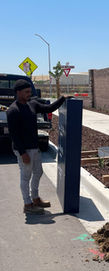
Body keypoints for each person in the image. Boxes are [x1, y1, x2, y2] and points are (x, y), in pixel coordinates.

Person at [6, 79, 69, 214]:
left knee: (38, 172)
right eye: (26, 92)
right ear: (18, 92)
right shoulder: (13, 110)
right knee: (25, 176)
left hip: (34, 147)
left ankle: (35, 199)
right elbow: (14, 135)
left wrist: (62, 99)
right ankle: (27, 204)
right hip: (23, 150)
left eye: (30, 91)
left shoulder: (32, 104)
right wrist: (23, 153)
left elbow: (49, 108)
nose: (30, 94)